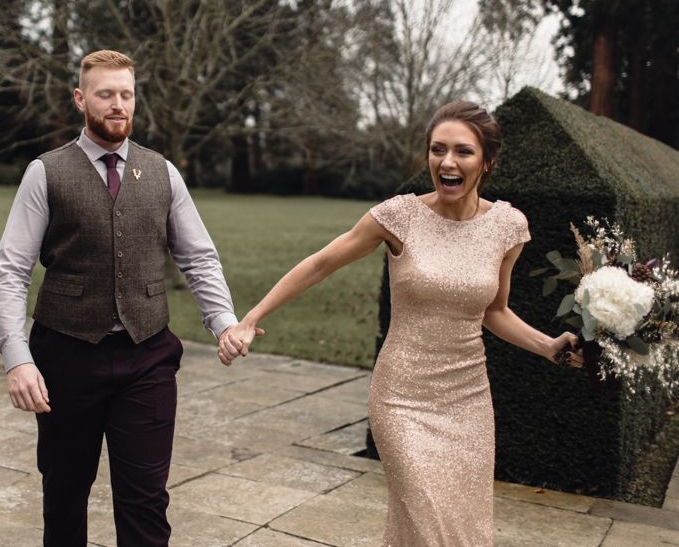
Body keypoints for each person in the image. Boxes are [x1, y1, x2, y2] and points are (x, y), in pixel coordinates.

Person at [217, 100, 584, 546]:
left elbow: (493, 310)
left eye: (462, 152)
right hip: (402, 399)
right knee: (432, 525)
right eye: (437, 149)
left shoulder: (508, 226)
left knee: (459, 530)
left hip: (468, 402)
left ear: (486, 162)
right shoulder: (398, 216)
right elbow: (320, 264)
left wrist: (549, 346)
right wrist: (250, 319)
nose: (447, 162)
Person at [0, 50, 239, 547]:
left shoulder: (163, 172)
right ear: (82, 99)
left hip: (146, 357)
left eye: (126, 95)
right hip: (65, 356)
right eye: (106, 94)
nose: (118, 105)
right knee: (64, 495)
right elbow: (11, 270)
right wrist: (17, 359)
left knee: (145, 501)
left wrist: (223, 321)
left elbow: (199, 257)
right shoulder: (46, 173)